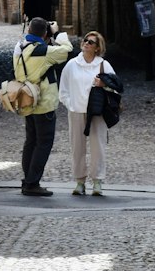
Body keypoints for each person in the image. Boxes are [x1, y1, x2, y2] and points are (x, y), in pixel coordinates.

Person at [13, 16, 71, 197]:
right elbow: (67, 50)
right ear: (45, 33)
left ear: (29, 30)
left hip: (26, 99)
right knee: (43, 143)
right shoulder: (45, 51)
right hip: (43, 103)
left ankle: (27, 180)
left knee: (30, 141)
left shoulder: (19, 48)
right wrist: (58, 33)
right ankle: (32, 183)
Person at [59, 29, 120, 197]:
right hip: (77, 111)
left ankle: (97, 181)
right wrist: (70, 104)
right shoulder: (72, 65)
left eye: (91, 42)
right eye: (85, 40)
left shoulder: (103, 65)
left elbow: (116, 88)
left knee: (97, 147)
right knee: (77, 147)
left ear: (97, 48)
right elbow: (63, 89)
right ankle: (79, 181)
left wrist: (103, 85)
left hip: (97, 113)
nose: (86, 43)